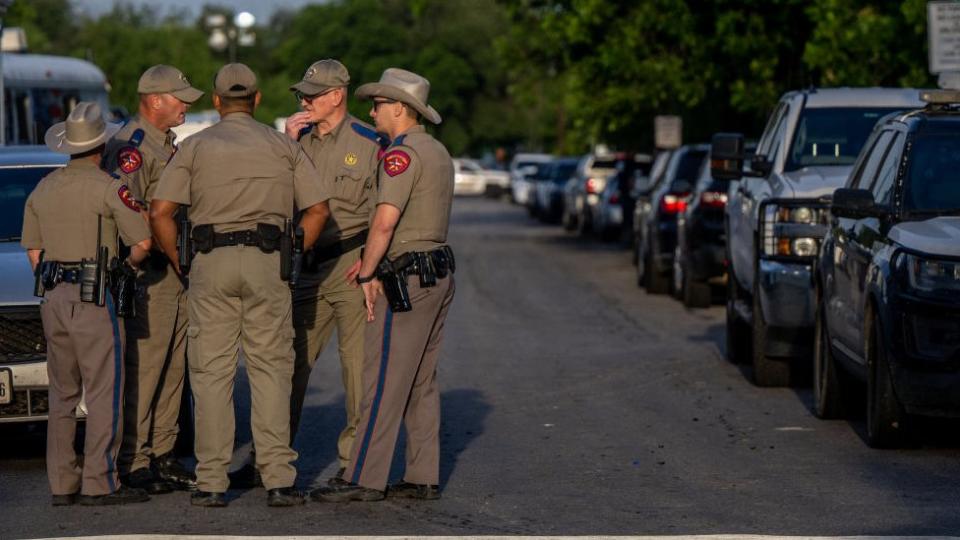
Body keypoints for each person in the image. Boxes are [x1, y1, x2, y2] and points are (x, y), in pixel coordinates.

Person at [149, 63, 332, 508]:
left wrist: (183, 262)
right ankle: (279, 479)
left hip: (209, 264)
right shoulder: (280, 146)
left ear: (215, 101)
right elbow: (319, 209)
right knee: (271, 369)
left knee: (211, 373)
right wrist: (294, 251)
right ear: (257, 99)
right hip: (268, 262)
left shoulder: (195, 147)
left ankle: (212, 481)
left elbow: (159, 211)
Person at [228, 59, 382, 490]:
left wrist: (375, 267)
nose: (304, 101)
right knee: (284, 367)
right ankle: (268, 461)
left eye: (312, 94)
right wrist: (286, 144)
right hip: (305, 269)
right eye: (301, 95)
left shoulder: (370, 143)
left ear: (337, 96)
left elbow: (387, 211)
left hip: (351, 266)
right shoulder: (294, 142)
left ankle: (356, 464)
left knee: (357, 372)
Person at [313, 68, 456, 502]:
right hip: (437, 271)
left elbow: (384, 221)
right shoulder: (438, 151)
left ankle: (362, 477)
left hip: (407, 276)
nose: (371, 110)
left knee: (383, 380)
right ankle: (421, 475)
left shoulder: (402, 154)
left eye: (378, 104)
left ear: (400, 108)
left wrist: (369, 271)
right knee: (420, 380)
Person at [22, 102, 153, 506]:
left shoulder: (44, 187)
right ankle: (100, 481)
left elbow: (34, 252)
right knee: (102, 391)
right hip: (94, 295)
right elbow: (142, 244)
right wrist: (121, 269)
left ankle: (62, 484)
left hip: (53, 296)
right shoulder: (110, 187)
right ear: (101, 147)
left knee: (61, 393)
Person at [103, 64, 203, 494]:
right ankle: (134, 457)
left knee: (173, 366)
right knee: (144, 367)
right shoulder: (133, 146)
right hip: (151, 273)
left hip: (176, 270)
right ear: (155, 99)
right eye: (180, 98)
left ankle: (163, 452)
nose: (186, 105)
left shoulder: (166, 145)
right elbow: (130, 210)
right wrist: (168, 245)